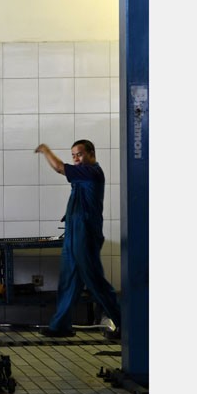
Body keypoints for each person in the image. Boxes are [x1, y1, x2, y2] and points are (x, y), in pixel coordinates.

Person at [35, 141, 121, 338]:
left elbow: (58, 167)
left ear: (91, 153)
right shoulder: (82, 174)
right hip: (74, 233)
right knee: (68, 280)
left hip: (86, 235)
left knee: (95, 281)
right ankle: (60, 326)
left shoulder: (91, 172)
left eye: (79, 154)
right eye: (73, 155)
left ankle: (124, 323)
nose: (75, 158)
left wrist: (45, 149)